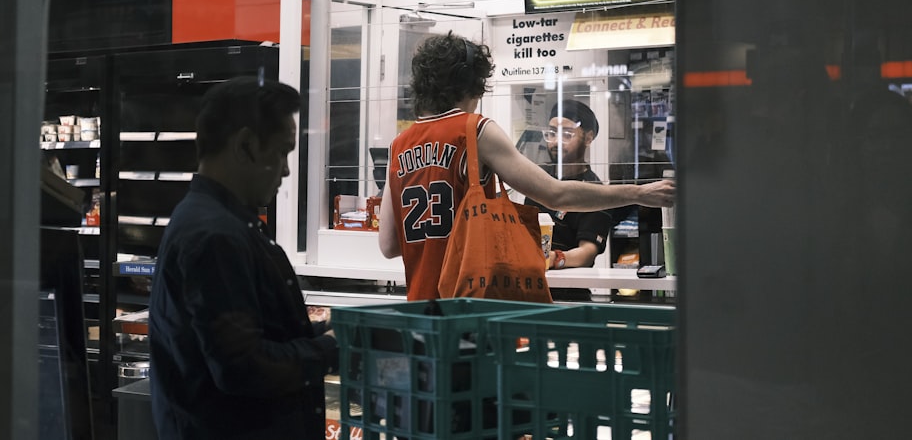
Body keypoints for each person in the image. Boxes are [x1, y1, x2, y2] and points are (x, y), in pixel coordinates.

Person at [377, 32, 675, 301]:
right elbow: (556, 195)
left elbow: (389, 245)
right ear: (472, 84)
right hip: (473, 305)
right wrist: (638, 192)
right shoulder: (474, 130)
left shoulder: (399, 144)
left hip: (420, 304)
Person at [148, 77, 337, 440]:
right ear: (246, 146)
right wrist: (331, 349)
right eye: (282, 152)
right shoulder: (215, 236)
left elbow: (251, 332)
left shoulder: (222, 224)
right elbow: (243, 367)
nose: (285, 170)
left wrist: (324, 332)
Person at [527, 99, 615, 272]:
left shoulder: (595, 191)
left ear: (588, 138)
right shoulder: (536, 178)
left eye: (567, 134)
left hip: (570, 289)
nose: (556, 142)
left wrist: (553, 258)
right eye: (552, 133)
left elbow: (587, 253)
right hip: (531, 284)